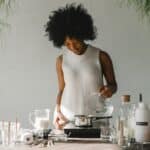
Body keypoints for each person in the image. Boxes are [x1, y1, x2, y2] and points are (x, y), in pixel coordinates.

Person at [45, 3, 117, 129]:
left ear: (82, 35)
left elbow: (113, 85)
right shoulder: (61, 61)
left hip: (97, 121)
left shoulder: (101, 56)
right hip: (68, 121)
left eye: (75, 42)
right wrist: (57, 111)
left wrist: (109, 90)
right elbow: (62, 90)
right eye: (67, 44)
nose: (72, 47)